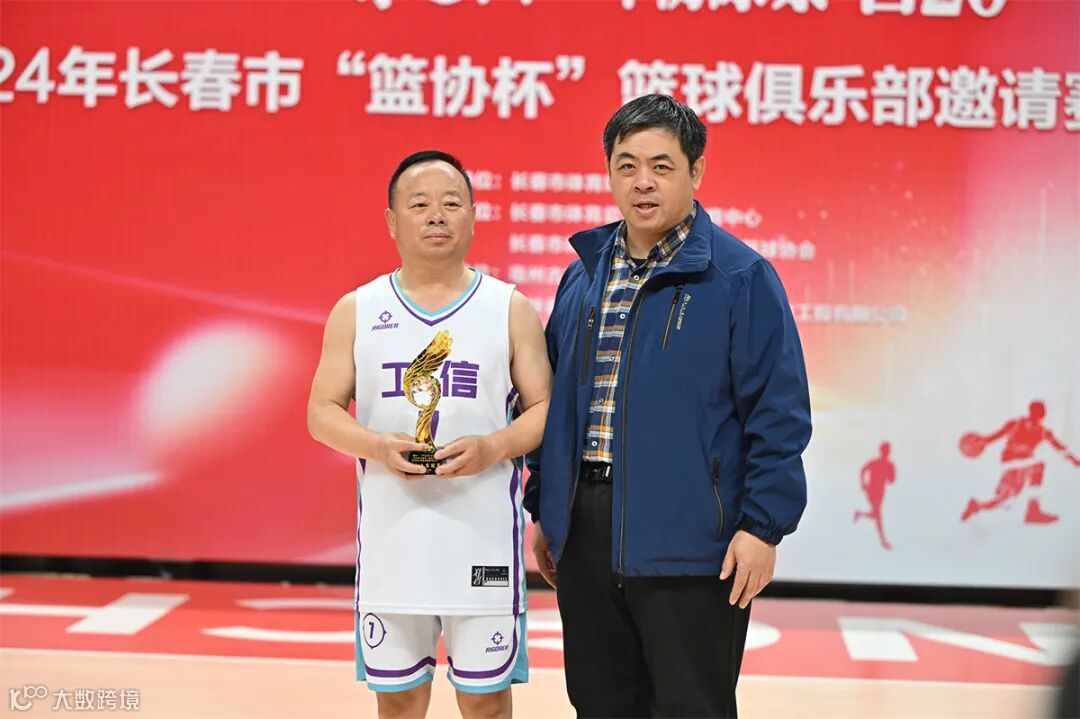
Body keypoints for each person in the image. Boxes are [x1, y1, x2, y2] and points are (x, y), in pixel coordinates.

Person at [524, 95, 811, 718]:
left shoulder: (738, 277)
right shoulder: (584, 276)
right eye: (626, 166)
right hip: (586, 531)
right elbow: (555, 401)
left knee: (691, 707)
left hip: (693, 541)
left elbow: (778, 413)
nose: (642, 182)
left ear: (696, 171)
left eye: (661, 166)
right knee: (600, 704)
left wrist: (762, 528)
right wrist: (545, 504)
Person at [307, 150, 551, 719]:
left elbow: (545, 409)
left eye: (451, 203)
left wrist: (493, 446)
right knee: (398, 703)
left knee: (486, 705)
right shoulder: (358, 309)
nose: (436, 215)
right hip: (393, 547)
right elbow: (321, 412)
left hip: (484, 547)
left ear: (473, 216)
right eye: (419, 205)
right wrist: (377, 447)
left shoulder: (508, 308)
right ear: (392, 221)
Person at [960, 400, 1079, 524]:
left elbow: (994, 437)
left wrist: (980, 442)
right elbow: (1060, 448)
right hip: (1019, 465)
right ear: (1044, 415)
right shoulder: (1043, 431)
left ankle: (978, 506)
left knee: (1006, 497)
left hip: (1010, 464)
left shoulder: (1016, 423)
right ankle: (1032, 511)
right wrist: (1074, 460)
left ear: (1030, 411)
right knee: (1011, 494)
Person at [854, 441, 897, 550]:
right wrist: (863, 483)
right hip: (872, 491)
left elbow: (891, 480)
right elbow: (863, 470)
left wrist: (890, 472)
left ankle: (859, 513)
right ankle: (883, 541)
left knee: (875, 514)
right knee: (878, 515)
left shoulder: (889, 465)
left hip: (880, 493)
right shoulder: (875, 463)